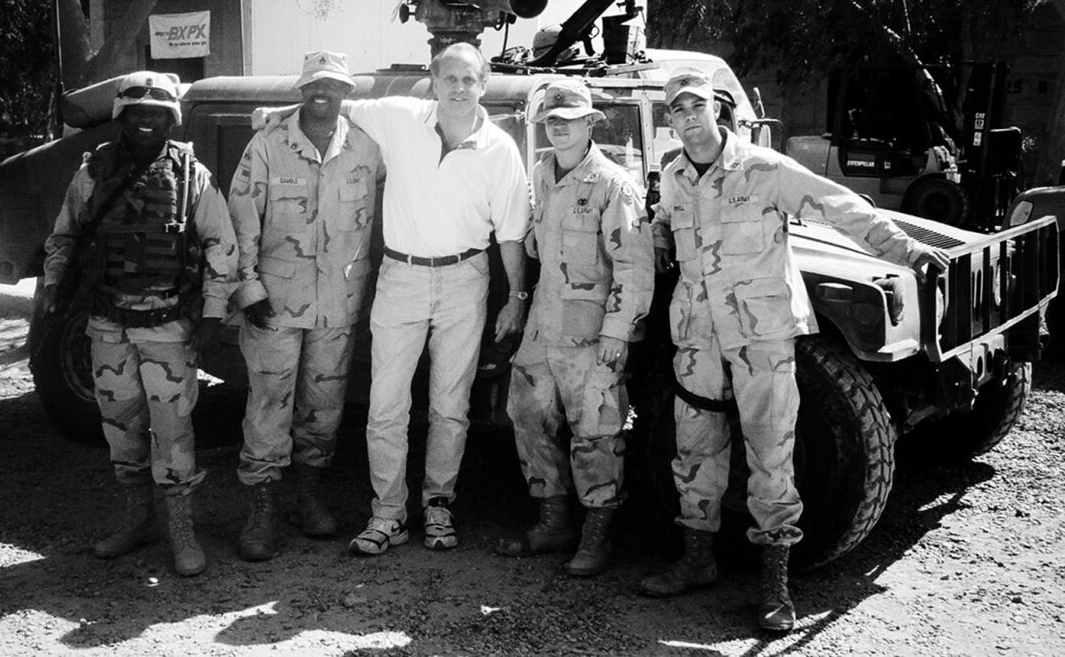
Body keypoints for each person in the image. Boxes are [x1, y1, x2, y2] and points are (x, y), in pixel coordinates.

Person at [643, 68, 950, 631]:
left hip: (761, 333)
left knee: (770, 450)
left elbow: (841, 207)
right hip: (697, 336)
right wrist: (659, 240)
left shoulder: (765, 169)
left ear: (717, 109)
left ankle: (774, 582)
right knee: (692, 445)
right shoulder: (675, 177)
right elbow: (665, 223)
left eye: (696, 107)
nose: (688, 118)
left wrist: (906, 250)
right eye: (678, 111)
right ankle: (696, 558)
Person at [41, 71, 238, 577]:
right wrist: (53, 286)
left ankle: (180, 530)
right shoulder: (94, 170)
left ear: (170, 119)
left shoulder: (192, 174)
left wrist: (214, 311)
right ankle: (137, 519)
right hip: (107, 323)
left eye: (157, 113)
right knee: (120, 427)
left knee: (172, 431)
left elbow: (221, 244)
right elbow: (65, 235)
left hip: (168, 326)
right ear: (122, 117)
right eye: (137, 113)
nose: (147, 121)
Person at [341, 42, 531, 555]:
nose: (460, 88)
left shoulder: (500, 149)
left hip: (463, 279)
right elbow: (333, 101)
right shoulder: (399, 116)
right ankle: (387, 515)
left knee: (450, 406)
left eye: (470, 80)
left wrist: (515, 296)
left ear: (484, 83)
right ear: (433, 79)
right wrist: (274, 118)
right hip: (400, 275)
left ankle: (439, 506)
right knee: (385, 404)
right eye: (450, 78)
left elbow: (510, 233)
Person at [226, 51, 383, 561]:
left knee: (325, 404)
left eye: (333, 85)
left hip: (338, 303)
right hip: (275, 303)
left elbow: (384, 215)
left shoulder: (365, 147)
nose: (322, 93)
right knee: (268, 402)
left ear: (346, 93)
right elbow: (241, 219)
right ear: (300, 89)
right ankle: (263, 504)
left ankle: (308, 493)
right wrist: (247, 289)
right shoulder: (268, 144)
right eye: (313, 84)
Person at [497, 80, 654, 576]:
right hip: (545, 328)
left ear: (590, 123)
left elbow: (632, 266)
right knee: (527, 415)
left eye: (569, 119)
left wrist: (617, 332)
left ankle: (596, 535)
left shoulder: (614, 185)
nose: (559, 127)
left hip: (592, 335)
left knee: (597, 433)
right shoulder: (541, 175)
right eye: (551, 120)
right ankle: (555, 520)